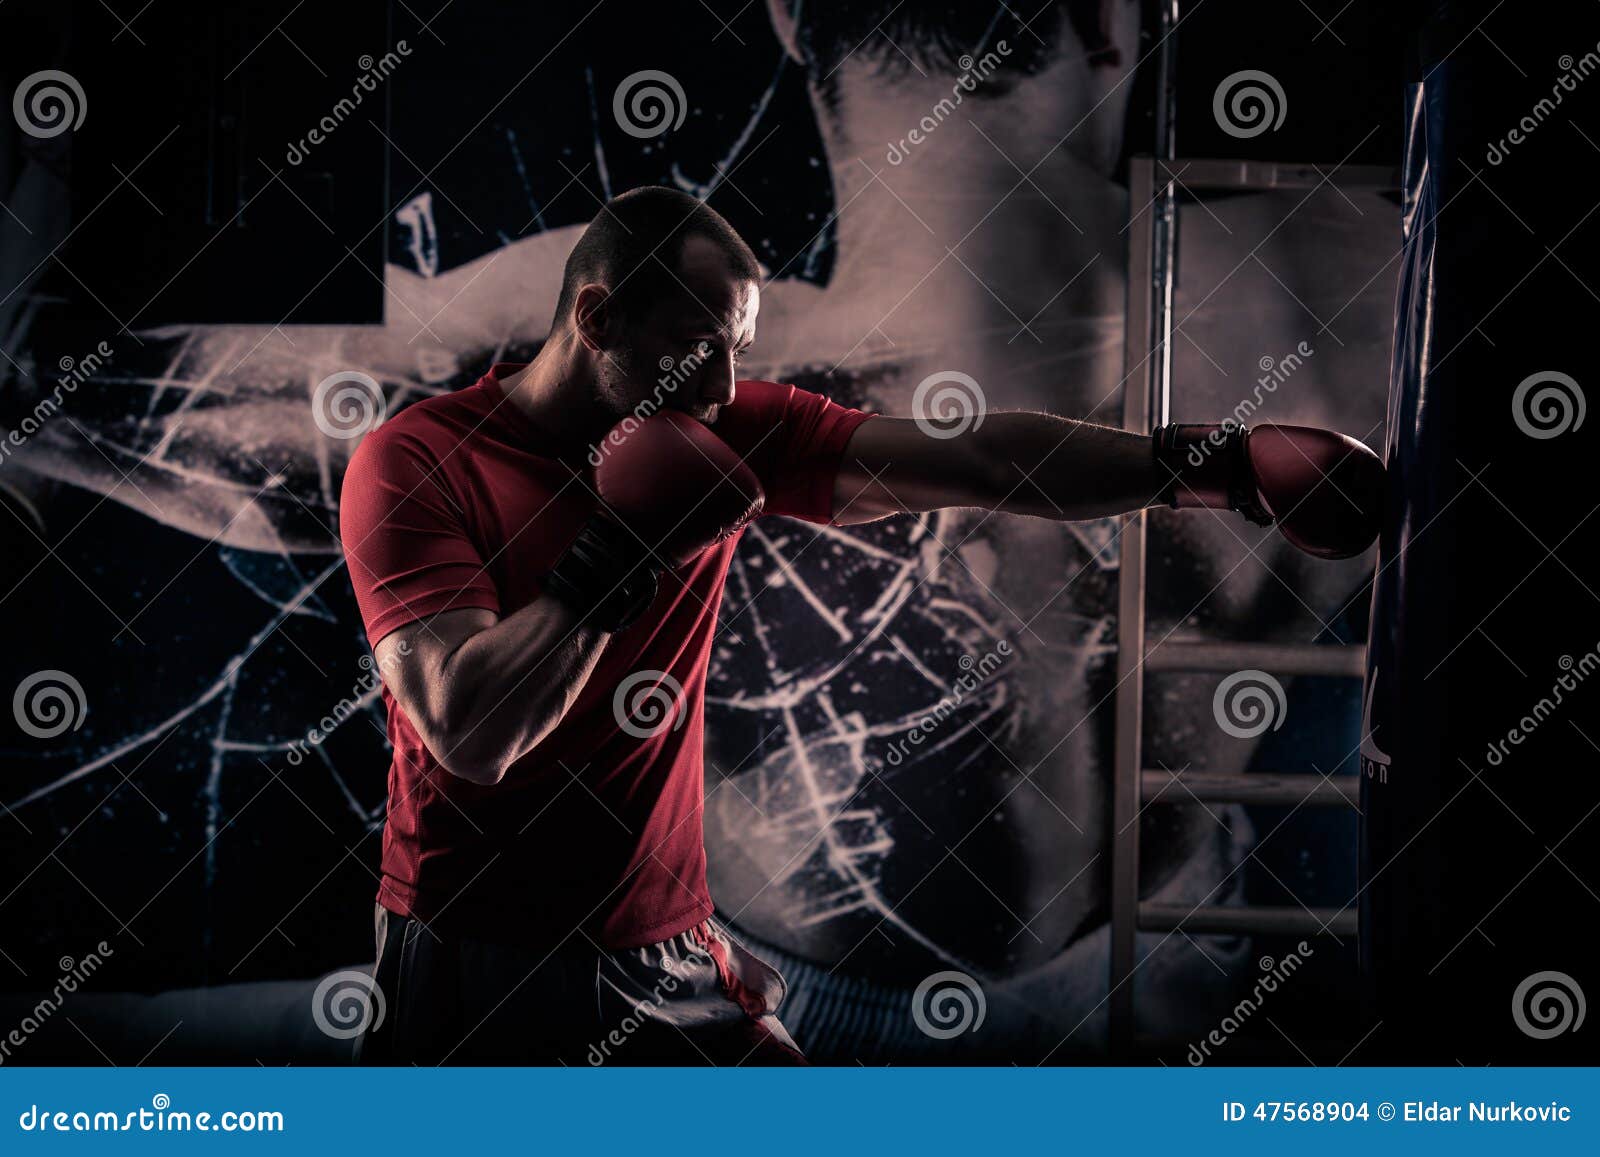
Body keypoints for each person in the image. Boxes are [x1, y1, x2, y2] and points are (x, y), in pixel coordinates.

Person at [339, 185, 1382, 1064]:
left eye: (735, 350)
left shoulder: (725, 428)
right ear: (599, 317)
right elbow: (471, 733)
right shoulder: (417, 460)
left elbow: (977, 461)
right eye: (696, 348)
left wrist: (1206, 468)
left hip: (666, 941)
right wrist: (620, 549)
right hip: (482, 954)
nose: (721, 386)